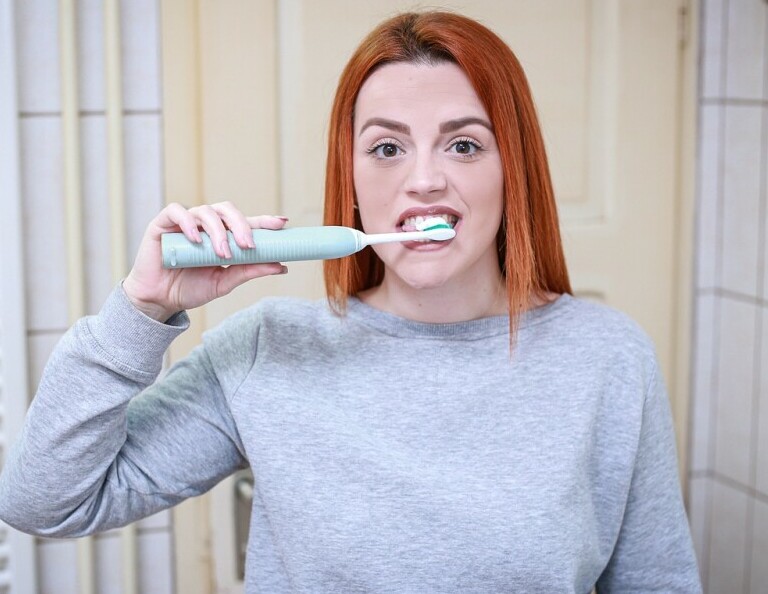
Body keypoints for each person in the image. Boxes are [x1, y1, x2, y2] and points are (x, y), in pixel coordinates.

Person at [0, 10, 701, 593]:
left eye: (462, 144)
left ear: (513, 168)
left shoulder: (606, 357)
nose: (424, 180)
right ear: (353, 175)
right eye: (388, 148)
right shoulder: (267, 348)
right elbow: (44, 502)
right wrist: (141, 308)